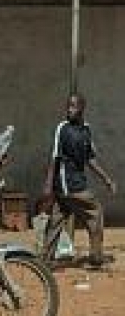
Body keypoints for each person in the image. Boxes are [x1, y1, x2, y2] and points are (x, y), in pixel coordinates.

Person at [42, 93, 117, 269]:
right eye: (68, 106)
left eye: (74, 106)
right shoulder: (63, 128)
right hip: (69, 183)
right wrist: (48, 184)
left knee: (56, 220)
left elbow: (90, 159)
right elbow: (55, 157)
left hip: (71, 184)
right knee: (95, 211)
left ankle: (45, 260)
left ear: (82, 108)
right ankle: (96, 257)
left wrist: (106, 179)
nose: (69, 110)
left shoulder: (86, 130)